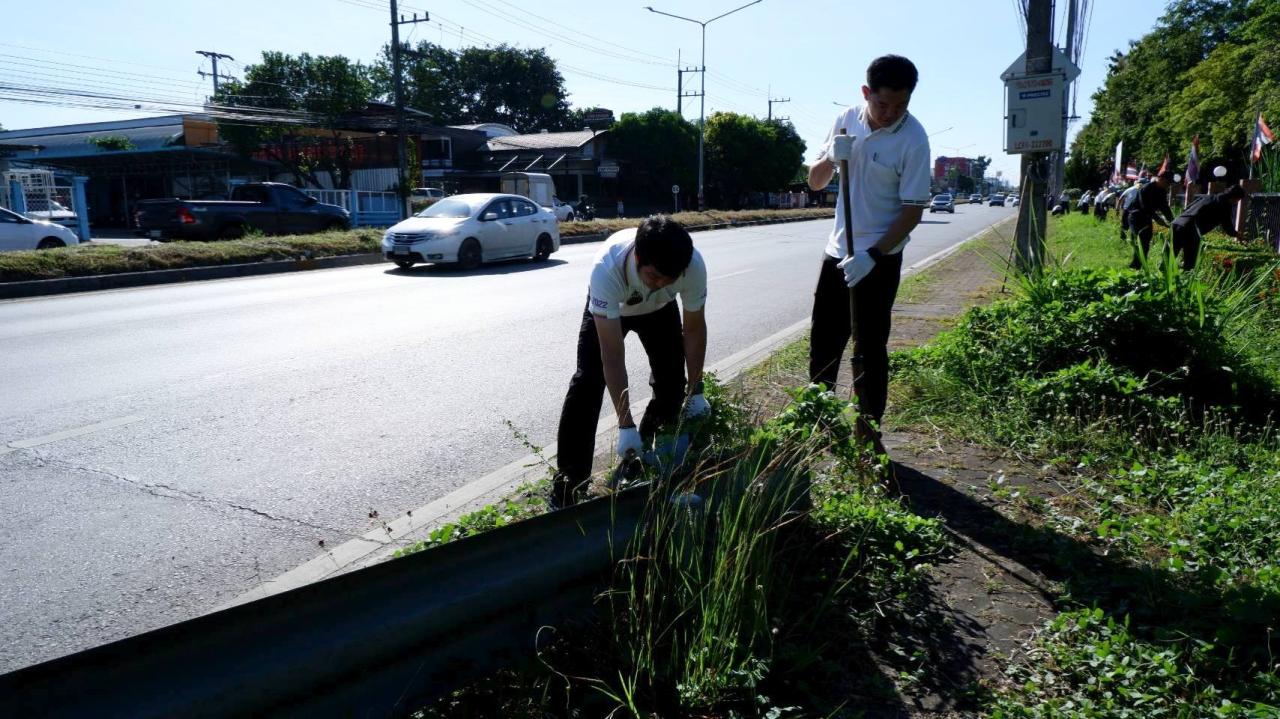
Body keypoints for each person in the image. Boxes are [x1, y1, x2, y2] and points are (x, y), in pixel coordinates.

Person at [806, 54, 930, 441]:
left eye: (900, 105)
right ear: (866, 93)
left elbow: (912, 211)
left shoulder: (914, 139)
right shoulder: (845, 119)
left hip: (880, 259)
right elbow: (814, 182)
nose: (890, 113)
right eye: (882, 104)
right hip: (838, 252)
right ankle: (819, 420)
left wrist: (873, 255)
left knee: (871, 347)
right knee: (824, 342)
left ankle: (868, 430)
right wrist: (830, 156)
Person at [549, 215, 709, 508]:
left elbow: (694, 329)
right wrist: (624, 424)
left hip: (660, 309)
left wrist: (696, 389)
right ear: (638, 257)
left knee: (672, 384)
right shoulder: (606, 270)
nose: (661, 282)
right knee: (587, 383)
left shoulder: (692, 266)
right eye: (654, 277)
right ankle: (569, 485)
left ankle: (641, 461)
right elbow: (611, 354)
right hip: (615, 308)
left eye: (669, 279)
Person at [1169, 185, 1246, 270]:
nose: (1236, 202)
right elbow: (1227, 225)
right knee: (1190, 261)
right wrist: (1237, 234)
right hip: (1190, 228)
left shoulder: (1209, 197)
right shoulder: (1225, 205)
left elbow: (1188, 207)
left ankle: (1161, 277)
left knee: (1169, 256)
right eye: (1238, 200)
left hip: (1177, 223)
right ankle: (1186, 279)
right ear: (1234, 197)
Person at [1128, 170, 1175, 268]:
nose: (1168, 185)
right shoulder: (1146, 188)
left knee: (1146, 242)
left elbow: (1165, 208)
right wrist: (1158, 219)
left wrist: (1173, 221)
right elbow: (1145, 207)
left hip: (1147, 218)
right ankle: (1135, 267)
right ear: (1160, 179)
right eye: (1167, 182)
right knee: (1140, 241)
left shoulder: (1162, 192)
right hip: (1136, 217)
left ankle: (1139, 266)